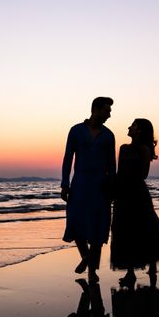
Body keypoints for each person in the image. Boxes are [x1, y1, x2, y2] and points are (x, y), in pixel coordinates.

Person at [110, 119, 159, 288]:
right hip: (124, 193)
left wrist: (127, 181)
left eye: (133, 125)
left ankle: (151, 264)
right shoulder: (123, 148)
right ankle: (130, 272)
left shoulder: (144, 149)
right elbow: (119, 172)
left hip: (137, 193)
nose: (129, 127)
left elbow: (144, 174)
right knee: (125, 229)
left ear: (139, 130)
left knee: (145, 227)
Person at [61, 97, 116, 282]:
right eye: (107, 111)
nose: (109, 114)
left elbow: (111, 164)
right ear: (96, 109)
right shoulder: (76, 131)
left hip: (100, 186)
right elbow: (68, 158)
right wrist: (64, 184)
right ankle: (85, 256)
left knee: (98, 229)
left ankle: (92, 272)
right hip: (80, 184)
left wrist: (112, 188)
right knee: (75, 223)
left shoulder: (109, 135)